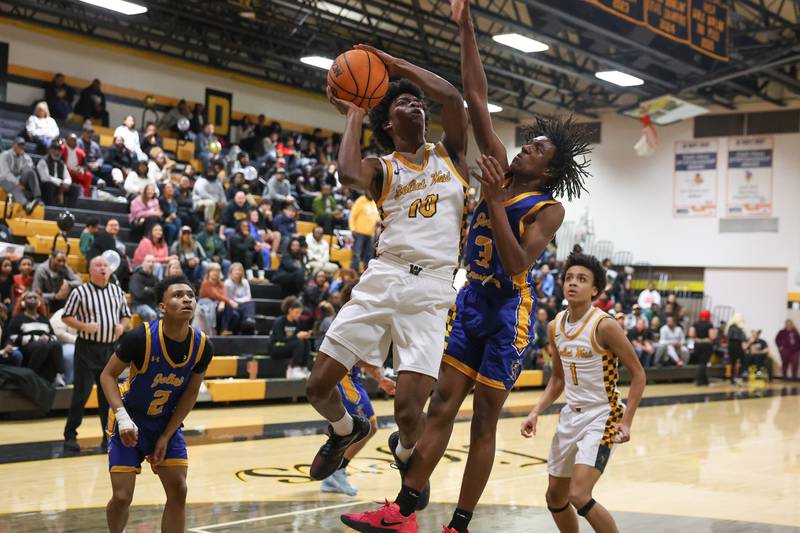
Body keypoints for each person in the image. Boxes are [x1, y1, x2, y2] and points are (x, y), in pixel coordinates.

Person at [344, 5, 590, 529]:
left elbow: (519, 261)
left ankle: (460, 522)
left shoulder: (548, 208)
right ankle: (403, 510)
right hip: (470, 299)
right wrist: (466, 28)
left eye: (537, 148)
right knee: (439, 409)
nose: (525, 147)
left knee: (482, 423)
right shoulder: (498, 161)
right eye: (528, 142)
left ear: (548, 169)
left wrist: (496, 202)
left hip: (508, 311)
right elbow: (472, 96)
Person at [309, 41, 470, 529]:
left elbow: (455, 101)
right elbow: (345, 173)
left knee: (408, 411)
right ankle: (346, 428)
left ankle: (403, 454)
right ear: (387, 124)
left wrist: (398, 66)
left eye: (417, 102)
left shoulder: (451, 156)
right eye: (402, 102)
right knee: (318, 386)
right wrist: (354, 113)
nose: (415, 104)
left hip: (434, 289)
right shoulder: (384, 166)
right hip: (386, 276)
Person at [519, 252, 645, 533]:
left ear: (595, 290)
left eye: (582, 279)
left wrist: (626, 423)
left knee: (578, 494)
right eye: (569, 278)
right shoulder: (555, 326)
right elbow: (557, 380)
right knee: (554, 496)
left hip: (603, 415)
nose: (573, 283)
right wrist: (535, 412)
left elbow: (638, 375)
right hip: (570, 416)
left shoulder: (605, 325)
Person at [100, 275, 213, 533]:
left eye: (190, 295)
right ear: (162, 307)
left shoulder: (203, 346)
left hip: (164, 420)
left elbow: (191, 393)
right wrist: (122, 417)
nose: (186, 299)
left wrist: (166, 435)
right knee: (122, 497)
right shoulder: (140, 338)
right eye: (177, 295)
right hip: (129, 419)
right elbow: (107, 375)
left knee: (179, 489)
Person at [62, 255, 131, 452]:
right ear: (91, 270)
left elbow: (126, 315)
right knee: (81, 394)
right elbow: (66, 316)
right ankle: (70, 436)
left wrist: (121, 326)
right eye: (98, 265)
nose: (103, 268)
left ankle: (107, 436)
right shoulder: (80, 292)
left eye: (105, 265)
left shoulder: (117, 291)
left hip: (110, 350)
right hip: (86, 348)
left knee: (108, 396)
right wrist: (83, 325)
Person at [3, 291, 65, 386]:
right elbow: (13, 336)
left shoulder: (44, 319)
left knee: (56, 345)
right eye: (29, 297)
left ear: (39, 302)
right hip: (26, 347)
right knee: (42, 346)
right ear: (23, 302)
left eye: (35, 298)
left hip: (44, 345)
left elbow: (53, 335)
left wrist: (47, 338)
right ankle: (30, 376)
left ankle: (58, 375)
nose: (33, 299)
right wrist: (36, 338)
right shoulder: (17, 318)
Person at [269, 297, 314, 379]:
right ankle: (293, 369)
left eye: (300, 313)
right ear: (290, 310)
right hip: (276, 347)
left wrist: (304, 335)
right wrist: (296, 336)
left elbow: (295, 338)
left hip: (288, 346)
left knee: (306, 342)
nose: (299, 315)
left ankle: (303, 368)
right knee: (299, 343)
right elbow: (280, 338)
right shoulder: (279, 321)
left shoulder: (296, 322)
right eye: (297, 312)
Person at [0, 137, 41, 213]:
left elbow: (29, 168)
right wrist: (17, 182)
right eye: (19, 145)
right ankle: (26, 205)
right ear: (14, 145)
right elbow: (6, 173)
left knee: (31, 172)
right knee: (15, 188)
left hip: (19, 178)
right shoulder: (5, 155)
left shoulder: (25, 157)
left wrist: (23, 158)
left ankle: (37, 197)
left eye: (22, 145)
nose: (21, 147)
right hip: (4, 179)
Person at [37, 140, 80, 207]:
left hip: (60, 186)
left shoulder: (62, 163)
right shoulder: (43, 161)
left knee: (75, 188)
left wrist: (65, 184)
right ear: (50, 150)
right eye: (55, 149)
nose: (57, 152)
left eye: (59, 150)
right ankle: (52, 209)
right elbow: (45, 177)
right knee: (50, 185)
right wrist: (60, 183)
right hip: (45, 186)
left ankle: (69, 210)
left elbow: (68, 178)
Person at [199, 263, 237, 335]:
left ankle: (224, 331)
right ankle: (224, 330)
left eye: (217, 271)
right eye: (213, 271)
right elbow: (215, 295)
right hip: (207, 308)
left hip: (219, 308)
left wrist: (223, 302)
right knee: (228, 305)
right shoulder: (206, 283)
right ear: (208, 273)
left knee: (235, 315)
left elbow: (224, 295)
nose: (215, 273)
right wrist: (228, 301)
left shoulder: (221, 284)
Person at [348, 194, 380, 271]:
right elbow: (352, 215)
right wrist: (352, 229)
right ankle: (354, 272)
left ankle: (366, 273)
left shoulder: (374, 203)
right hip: (359, 233)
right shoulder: (360, 200)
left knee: (369, 255)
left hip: (371, 234)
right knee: (357, 254)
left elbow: (377, 217)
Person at [224, 263, 255, 334]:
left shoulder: (245, 282)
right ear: (231, 272)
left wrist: (238, 300)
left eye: (239, 270)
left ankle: (249, 320)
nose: (238, 272)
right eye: (235, 270)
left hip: (243, 304)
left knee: (251, 303)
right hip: (232, 306)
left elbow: (249, 297)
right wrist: (241, 300)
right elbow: (228, 298)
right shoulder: (227, 283)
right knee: (246, 306)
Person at [50, 307, 77, 385]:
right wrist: (78, 341)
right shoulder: (61, 313)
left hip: (84, 344)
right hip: (62, 344)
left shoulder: (92, 313)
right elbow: (58, 333)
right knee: (71, 354)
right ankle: (66, 382)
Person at [61, 134, 94, 198]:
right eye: (71, 139)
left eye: (75, 140)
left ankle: (85, 196)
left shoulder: (80, 152)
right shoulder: (62, 149)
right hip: (65, 172)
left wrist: (81, 169)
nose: (73, 141)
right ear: (67, 140)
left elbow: (85, 166)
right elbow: (60, 162)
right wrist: (70, 170)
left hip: (76, 173)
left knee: (88, 175)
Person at [689, 309, 716, 386]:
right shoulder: (709, 324)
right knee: (703, 363)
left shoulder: (695, 323)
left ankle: (705, 381)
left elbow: (691, 334)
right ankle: (699, 380)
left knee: (700, 362)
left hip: (697, 345)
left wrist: (697, 338)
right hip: (706, 345)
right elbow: (712, 336)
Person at [129, 255, 159, 321]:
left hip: (152, 305)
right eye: (148, 261)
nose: (151, 264)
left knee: (168, 313)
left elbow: (159, 293)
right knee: (152, 315)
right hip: (138, 306)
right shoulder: (136, 277)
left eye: (153, 262)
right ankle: (150, 331)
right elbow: (139, 294)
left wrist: (147, 289)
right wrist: (152, 290)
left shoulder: (155, 278)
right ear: (143, 263)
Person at [726, 313, 747, 383]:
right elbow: (742, 339)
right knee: (743, 360)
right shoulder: (739, 329)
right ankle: (739, 376)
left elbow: (729, 337)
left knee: (733, 362)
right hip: (737, 346)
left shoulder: (730, 327)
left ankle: (732, 378)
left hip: (731, 346)